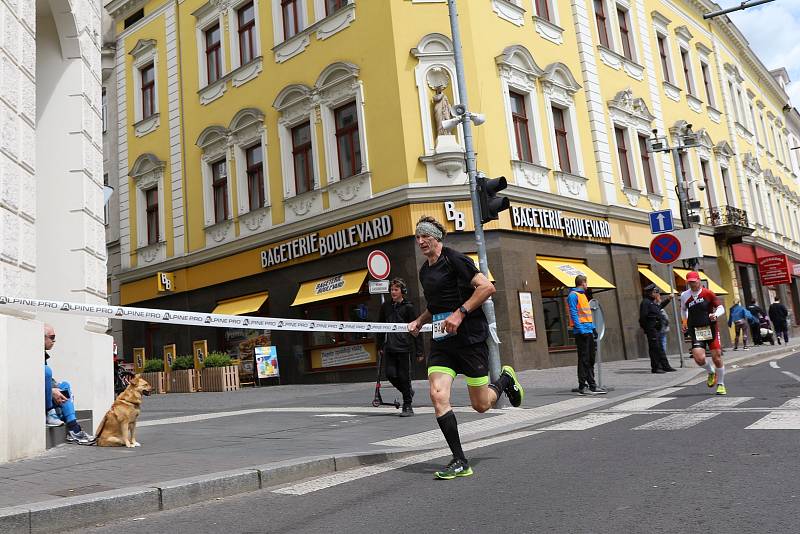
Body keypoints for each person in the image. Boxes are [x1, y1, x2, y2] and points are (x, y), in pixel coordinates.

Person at [408, 216, 523, 480]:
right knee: (437, 396)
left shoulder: (455, 259)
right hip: (442, 343)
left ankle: (505, 379)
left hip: (469, 340)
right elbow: (436, 306)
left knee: (481, 405)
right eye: (417, 237)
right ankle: (460, 460)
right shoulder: (425, 271)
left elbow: (487, 287)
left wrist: (460, 313)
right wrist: (419, 320)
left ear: (436, 237)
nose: (421, 241)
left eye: (425, 236)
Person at [377, 277, 423, 417]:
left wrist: (419, 351)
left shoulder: (408, 307)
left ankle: (407, 406)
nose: (393, 292)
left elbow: (417, 328)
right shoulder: (385, 307)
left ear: (402, 291)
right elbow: (380, 326)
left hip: (404, 347)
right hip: (390, 347)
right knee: (390, 375)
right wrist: (379, 345)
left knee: (404, 377)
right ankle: (407, 391)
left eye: (396, 289)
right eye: (391, 289)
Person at [44, 324, 95, 444]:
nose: (54, 340)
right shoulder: (31, 353)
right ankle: (53, 415)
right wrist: (52, 390)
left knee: (65, 385)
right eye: (52, 337)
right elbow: (34, 377)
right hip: (38, 398)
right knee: (47, 371)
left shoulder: (42, 354)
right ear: (42, 337)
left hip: (45, 393)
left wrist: (55, 388)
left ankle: (73, 428)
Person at [680, 271, 727, 395]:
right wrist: (684, 322)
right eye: (689, 282)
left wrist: (715, 315)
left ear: (699, 280)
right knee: (699, 358)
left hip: (710, 328)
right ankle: (711, 372)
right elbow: (683, 310)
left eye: (694, 282)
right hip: (696, 330)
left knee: (716, 357)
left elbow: (721, 307)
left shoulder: (708, 293)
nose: (692, 284)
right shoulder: (684, 295)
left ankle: (721, 384)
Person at [567, 275, 607, 394]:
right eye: (586, 283)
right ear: (583, 283)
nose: (587, 285)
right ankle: (582, 386)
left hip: (588, 331)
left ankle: (592, 385)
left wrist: (593, 328)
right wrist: (581, 330)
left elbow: (587, 315)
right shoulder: (573, 295)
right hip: (582, 332)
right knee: (583, 359)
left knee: (590, 359)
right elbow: (573, 314)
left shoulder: (583, 295)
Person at [639, 284, 676, 373]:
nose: (656, 293)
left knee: (660, 349)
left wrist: (668, 299)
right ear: (650, 293)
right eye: (654, 292)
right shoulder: (645, 302)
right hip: (652, 330)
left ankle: (665, 366)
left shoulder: (652, 302)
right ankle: (656, 368)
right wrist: (648, 329)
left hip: (657, 329)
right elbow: (643, 318)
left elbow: (659, 307)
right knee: (655, 349)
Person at [654, 291, 673, 357]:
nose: (660, 297)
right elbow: (664, 316)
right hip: (661, 327)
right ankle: (662, 357)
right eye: (659, 295)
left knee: (662, 342)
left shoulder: (656, 304)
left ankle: (662, 357)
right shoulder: (656, 305)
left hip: (662, 327)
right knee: (662, 343)